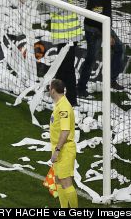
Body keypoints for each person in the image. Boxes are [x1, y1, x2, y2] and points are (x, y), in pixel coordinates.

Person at [78, 0, 124, 95]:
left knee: (119, 48)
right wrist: (107, 35)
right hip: (94, 30)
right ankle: (81, 88)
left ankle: (111, 80)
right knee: (91, 59)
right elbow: (96, 17)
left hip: (103, 26)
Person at [40, 0, 82, 106]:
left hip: (67, 41)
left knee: (67, 70)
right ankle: (57, 92)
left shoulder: (64, 0)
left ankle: (71, 100)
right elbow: (42, 9)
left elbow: (47, 8)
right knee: (61, 69)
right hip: (64, 40)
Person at [48, 79, 78, 208]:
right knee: (58, 180)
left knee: (66, 182)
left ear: (53, 90)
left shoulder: (64, 107)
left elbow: (65, 131)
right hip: (59, 147)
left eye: (49, 88)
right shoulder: (60, 104)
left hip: (64, 149)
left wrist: (57, 151)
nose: (49, 90)